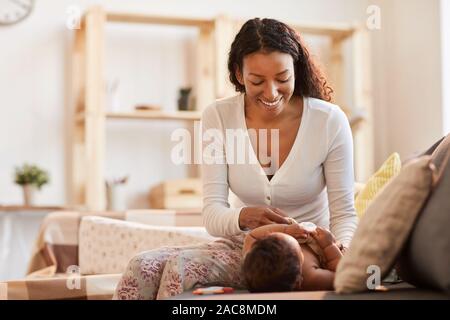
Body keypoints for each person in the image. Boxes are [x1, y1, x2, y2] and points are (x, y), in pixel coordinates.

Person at [114, 17, 357, 300]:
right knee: (142, 266)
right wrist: (244, 216)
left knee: (181, 270)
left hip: (306, 254)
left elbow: (344, 214)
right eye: (257, 80)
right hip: (249, 249)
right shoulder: (218, 117)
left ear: (296, 70)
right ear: (239, 75)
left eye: (282, 79)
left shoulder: (329, 121)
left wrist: (340, 257)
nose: (271, 92)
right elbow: (213, 214)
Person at [242, 222, 343, 292]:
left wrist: (285, 229)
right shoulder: (311, 278)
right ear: (299, 280)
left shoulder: (252, 255)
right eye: (298, 246)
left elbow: (252, 236)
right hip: (329, 246)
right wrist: (329, 246)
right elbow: (341, 275)